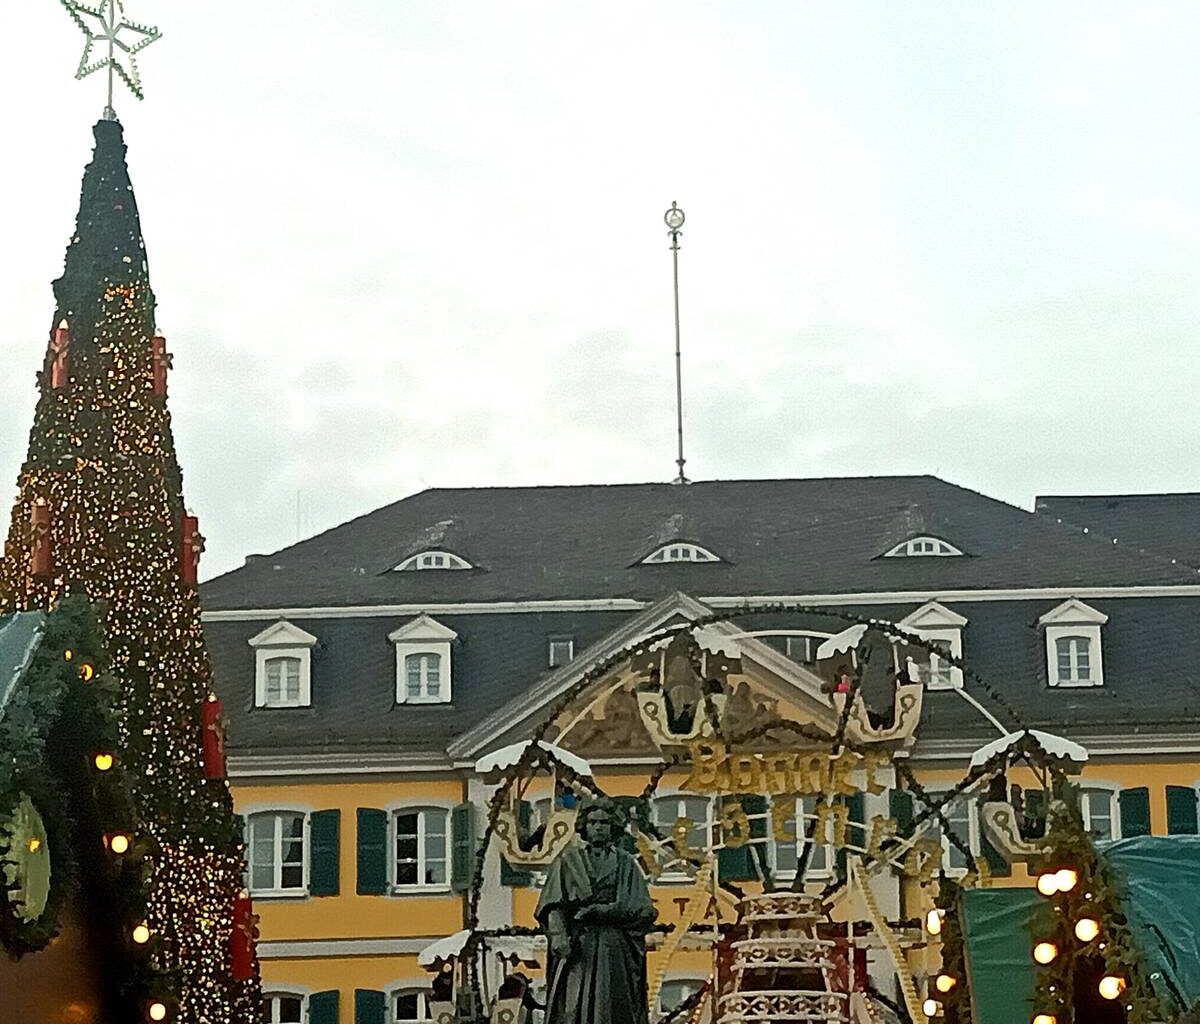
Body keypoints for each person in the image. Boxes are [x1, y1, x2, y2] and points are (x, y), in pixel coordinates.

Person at [536, 798, 657, 1024]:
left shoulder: (625, 862)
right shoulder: (568, 860)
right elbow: (552, 904)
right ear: (584, 826)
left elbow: (644, 909)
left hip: (613, 946)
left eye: (604, 822)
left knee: (612, 1002)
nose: (599, 827)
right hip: (579, 944)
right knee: (572, 1003)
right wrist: (558, 935)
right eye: (593, 822)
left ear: (613, 827)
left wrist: (607, 911)